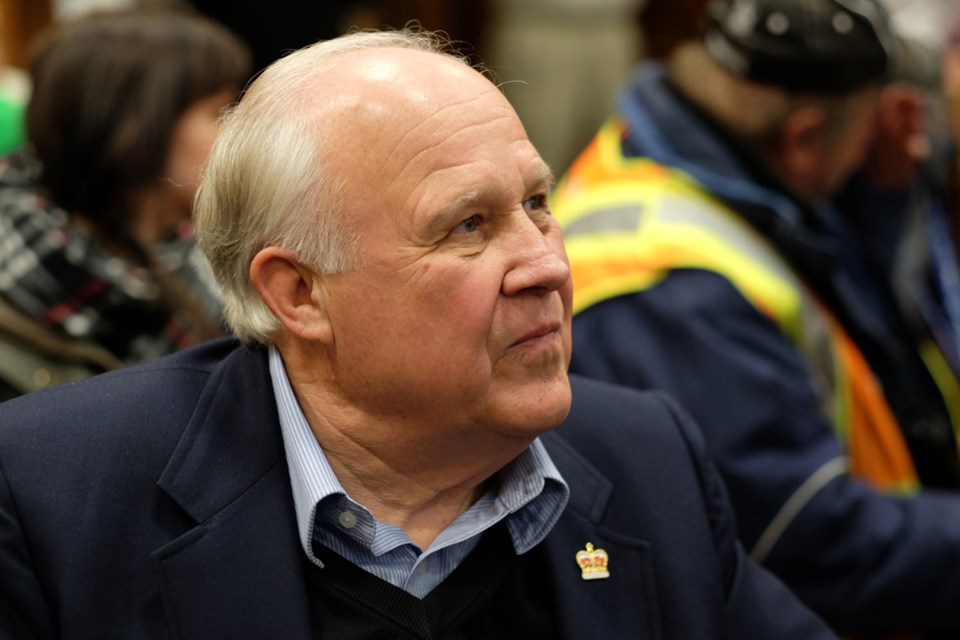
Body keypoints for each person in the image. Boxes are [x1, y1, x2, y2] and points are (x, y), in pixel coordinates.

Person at [0, 28, 836, 638]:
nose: (545, 264)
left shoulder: (648, 459)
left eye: (537, 204)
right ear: (300, 295)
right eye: (468, 226)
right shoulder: (54, 499)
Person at [551, 0, 960, 635]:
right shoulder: (675, 295)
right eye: (868, 123)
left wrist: (877, 198)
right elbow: (815, 549)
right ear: (801, 139)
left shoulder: (694, 153)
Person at [0, 3, 251, 399]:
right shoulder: (22, 301)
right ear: (137, 126)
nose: (240, 134)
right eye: (219, 112)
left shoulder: (200, 257)